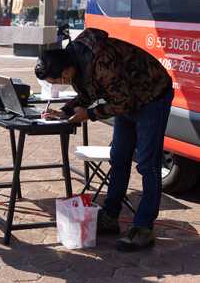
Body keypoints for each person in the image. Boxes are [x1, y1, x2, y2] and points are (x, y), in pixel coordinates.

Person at [35, 28, 173, 252]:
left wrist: (88, 114)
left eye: (59, 80)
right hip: (126, 97)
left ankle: (144, 228)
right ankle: (110, 216)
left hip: (151, 95)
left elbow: (123, 101)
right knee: (118, 157)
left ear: (66, 70)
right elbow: (89, 92)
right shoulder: (74, 60)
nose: (61, 83)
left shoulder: (102, 62)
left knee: (148, 164)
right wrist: (65, 110)